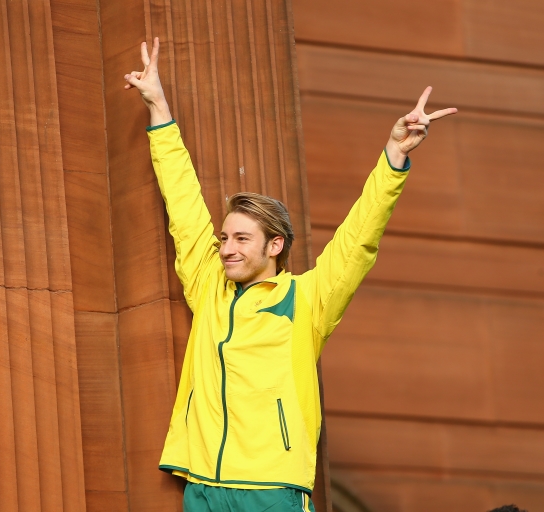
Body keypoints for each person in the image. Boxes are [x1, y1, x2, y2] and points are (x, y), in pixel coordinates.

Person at [124, 37, 457, 512]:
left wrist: (394, 157)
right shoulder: (208, 283)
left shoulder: (308, 299)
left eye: (242, 239)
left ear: (274, 246)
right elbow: (182, 201)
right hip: (202, 483)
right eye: (224, 238)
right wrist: (158, 105)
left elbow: (357, 240)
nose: (227, 248)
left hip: (273, 488)